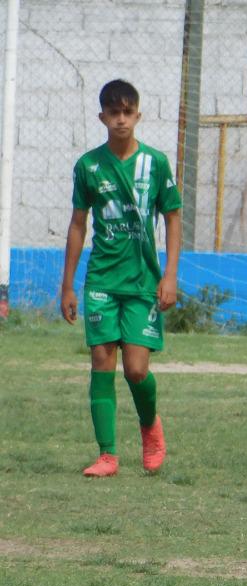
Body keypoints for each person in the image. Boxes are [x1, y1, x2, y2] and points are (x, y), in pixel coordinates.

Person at [61, 79, 181, 477]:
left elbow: (173, 216)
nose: (121, 120)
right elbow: (78, 225)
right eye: (113, 113)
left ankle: (150, 427)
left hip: (144, 281)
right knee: (100, 359)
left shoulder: (156, 163)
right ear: (102, 117)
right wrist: (67, 284)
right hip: (101, 280)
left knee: (136, 369)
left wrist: (170, 275)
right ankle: (108, 455)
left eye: (127, 112)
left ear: (138, 116)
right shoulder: (88, 166)